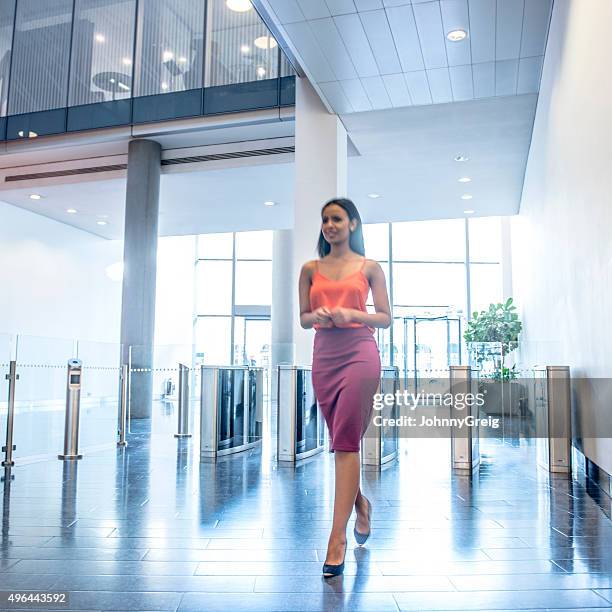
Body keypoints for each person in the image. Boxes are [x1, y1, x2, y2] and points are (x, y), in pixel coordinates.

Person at [298, 198, 391, 577]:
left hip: (359, 354)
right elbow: (303, 319)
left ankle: (335, 540)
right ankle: (360, 505)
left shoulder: (369, 267)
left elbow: (385, 317)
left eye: (336, 218)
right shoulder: (309, 269)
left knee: (346, 443)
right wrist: (317, 315)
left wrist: (352, 314)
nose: (329, 225)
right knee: (339, 442)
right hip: (324, 357)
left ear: (352, 223)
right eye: (324, 220)